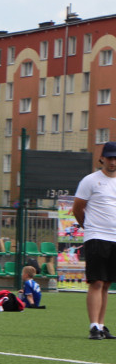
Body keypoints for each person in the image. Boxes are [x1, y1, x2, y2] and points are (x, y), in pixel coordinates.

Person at [72, 141, 116, 339]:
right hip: (97, 236)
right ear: (102, 159)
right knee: (96, 281)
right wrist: (88, 227)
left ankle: (101, 324)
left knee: (107, 283)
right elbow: (78, 208)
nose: (113, 162)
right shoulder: (90, 180)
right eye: (109, 158)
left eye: (115, 158)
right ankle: (93, 326)